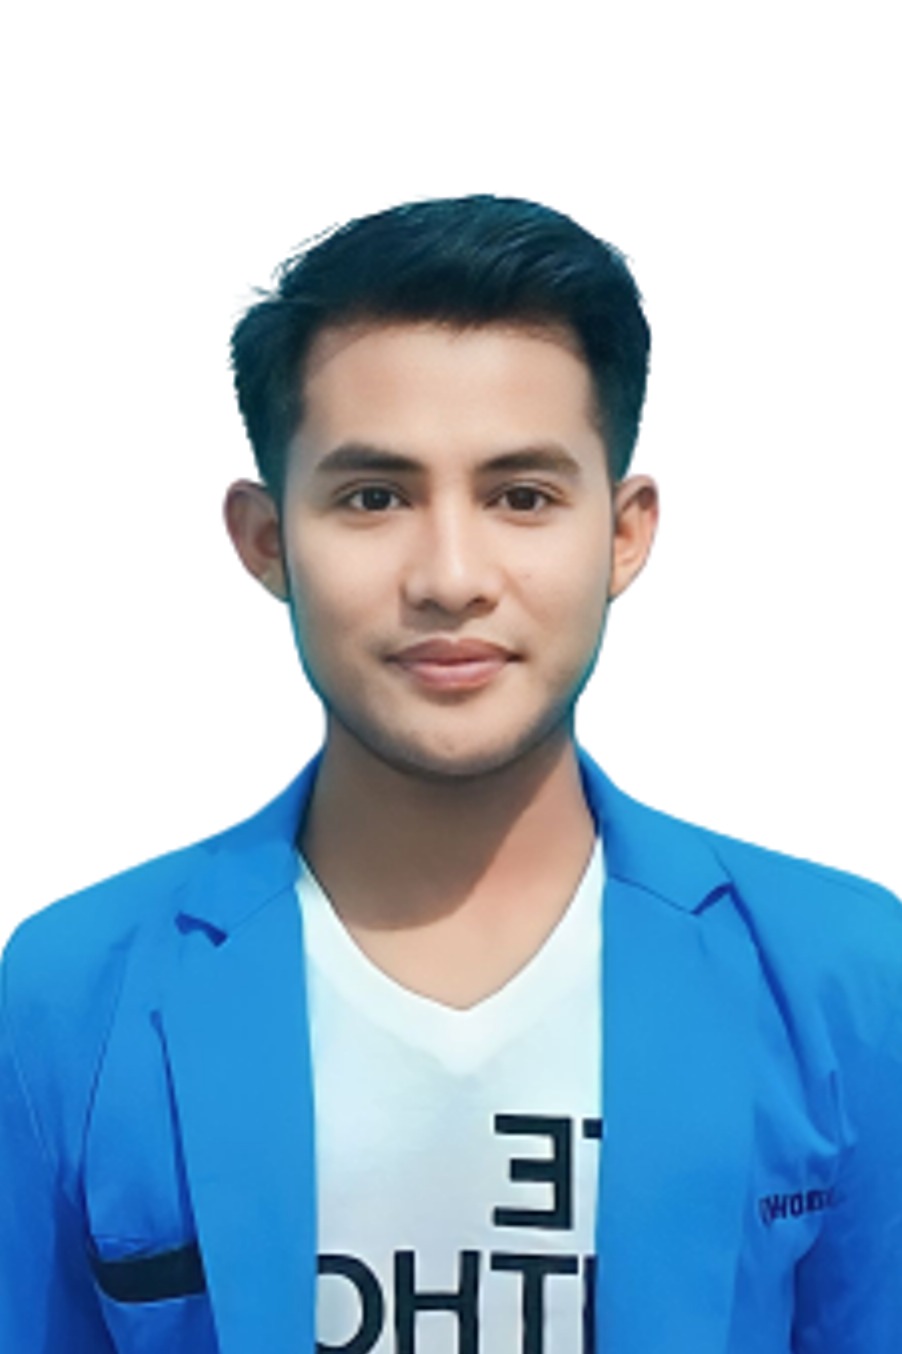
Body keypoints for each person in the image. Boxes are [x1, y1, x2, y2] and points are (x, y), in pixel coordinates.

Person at [2, 194, 901, 1354]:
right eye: (372, 497)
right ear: (266, 538)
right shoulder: (74, 995)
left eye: (521, 496)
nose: (450, 575)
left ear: (623, 532)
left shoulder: (843, 980)